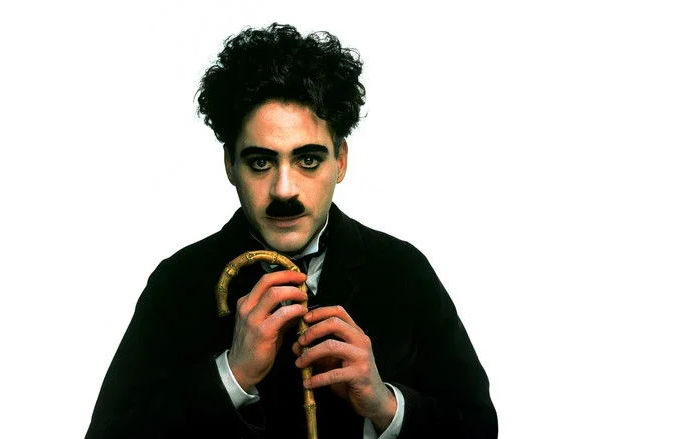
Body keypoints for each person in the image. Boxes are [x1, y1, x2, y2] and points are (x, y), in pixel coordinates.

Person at [85, 23, 497, 438]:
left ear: (340, 161)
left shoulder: (403, 271)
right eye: (260, 162)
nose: (284, 190)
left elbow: (480, 428)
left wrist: (384, 404)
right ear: (230, 165)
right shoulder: (178, 282)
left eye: (308, 160)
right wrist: (231, 375)